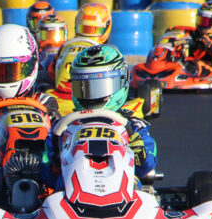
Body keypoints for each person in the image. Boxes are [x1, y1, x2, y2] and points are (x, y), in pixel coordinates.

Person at [42, 45, 157, 190]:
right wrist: (56, 164)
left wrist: (139, 152)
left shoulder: (133, 126)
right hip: (72, 192)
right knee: (58, 184)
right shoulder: (62, 128)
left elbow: (147, 167)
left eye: (99, 86)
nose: (91, 95)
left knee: (135, 183)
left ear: (121, 81)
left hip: (123, 192)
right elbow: (46, 175)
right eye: (84, 86)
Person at [0, 24, 59, 159]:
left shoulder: (45, 102)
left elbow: (59, 139)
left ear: (32, 64)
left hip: (42, 163)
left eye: (15, 70)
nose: (7, 77)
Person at [182, 1, 212, 76]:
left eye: (205, 22)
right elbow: (184, 31)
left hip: (208, 68)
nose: (202, 25)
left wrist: (208, 43)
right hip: (187, 61)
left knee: (194, 66)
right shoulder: (194, 33)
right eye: (200, 20)